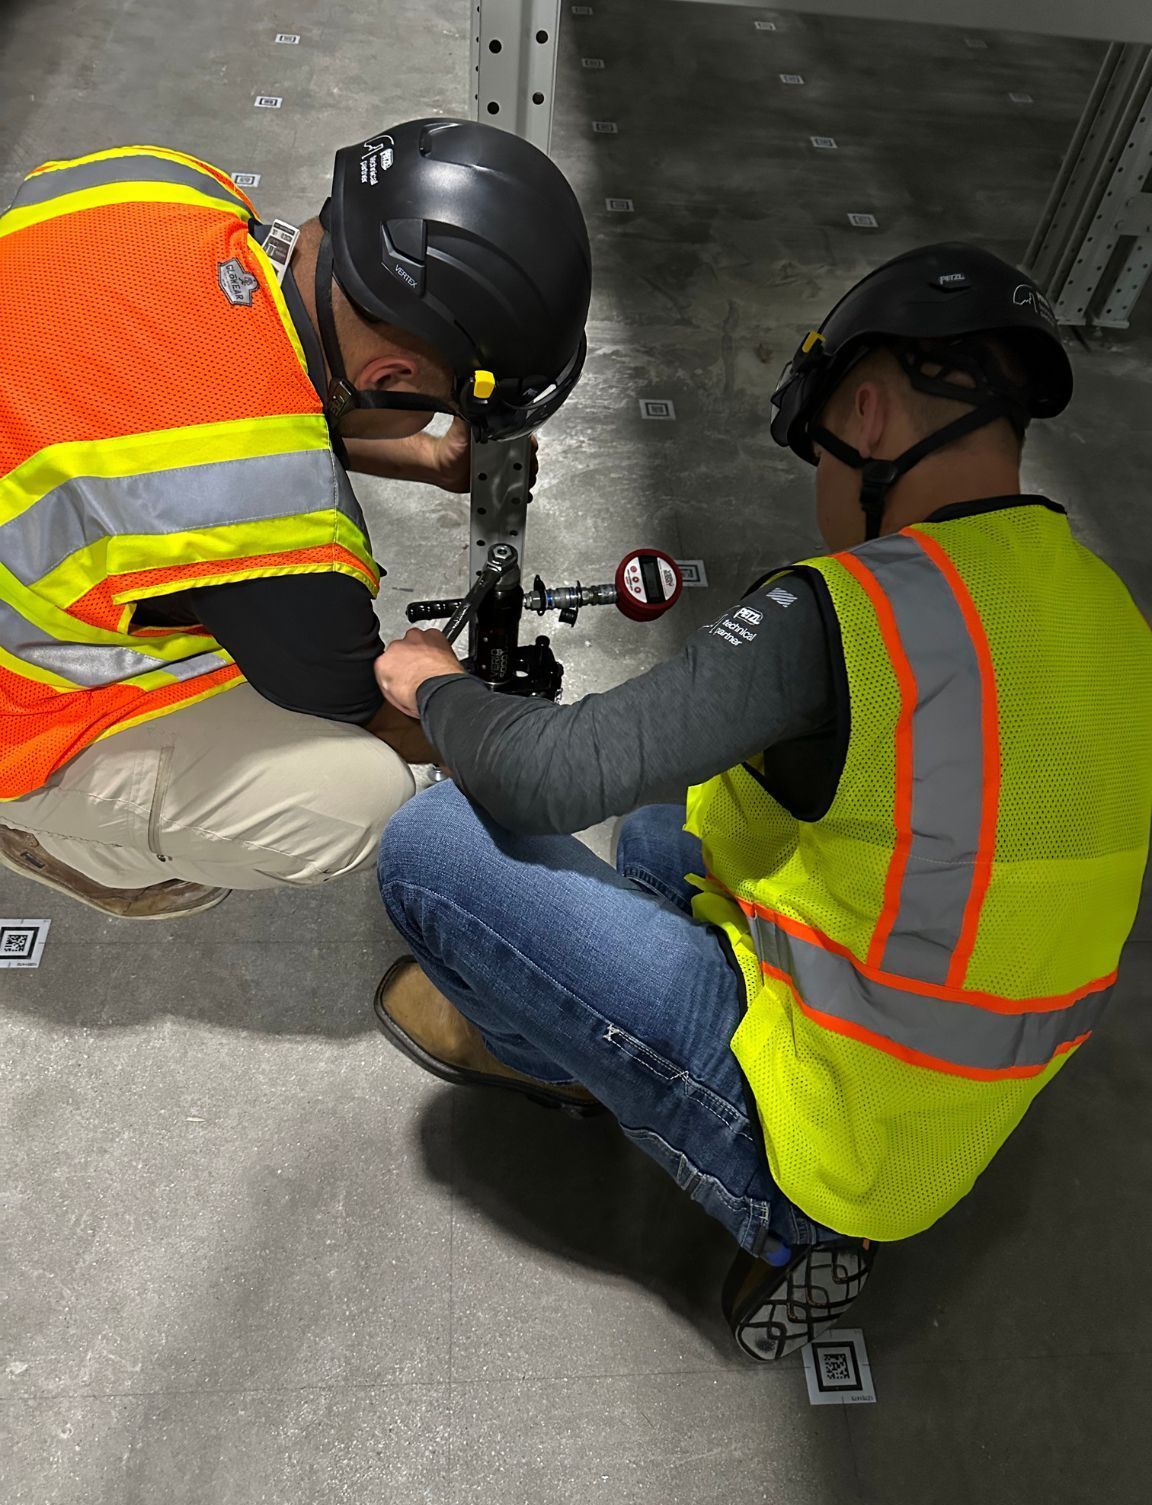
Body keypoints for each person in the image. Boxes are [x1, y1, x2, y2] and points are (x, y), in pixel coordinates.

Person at [372, 243, 1152, 1361]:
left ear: (869, 416)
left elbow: (552, 771)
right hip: (952, 1118)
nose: (825, 494)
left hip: (819, 1133)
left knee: (434, 846)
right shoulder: (1109, 610)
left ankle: (673, 1138)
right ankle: (753, 1139)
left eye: (821, 453)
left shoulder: (847, 611)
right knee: (672, 820)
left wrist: (433, 688)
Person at [0, 121, 590, 916]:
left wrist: (423, 457)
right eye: (441, 412)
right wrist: (471, 710)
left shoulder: (163, 180)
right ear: (390, 376)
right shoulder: (288, 549)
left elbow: (179, 404)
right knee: (357, 792)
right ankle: (48, 826)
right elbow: (373, 711)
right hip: (21, 702)